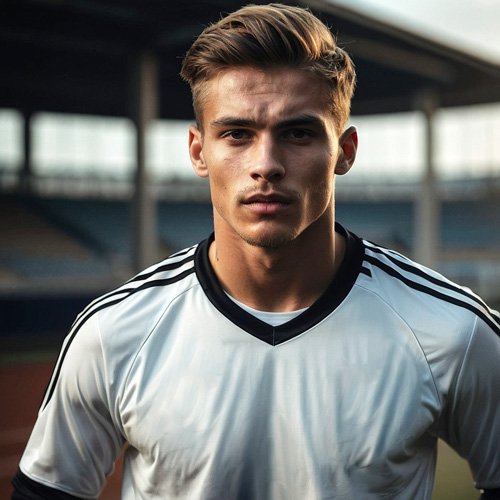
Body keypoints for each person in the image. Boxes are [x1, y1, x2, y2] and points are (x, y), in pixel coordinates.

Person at [12, 3, 500, 499]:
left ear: (345, 151)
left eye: (298, 133)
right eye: (237, 134)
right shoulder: (113, 332)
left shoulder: (452, 332)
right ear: (199, 151)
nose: (265, 164)